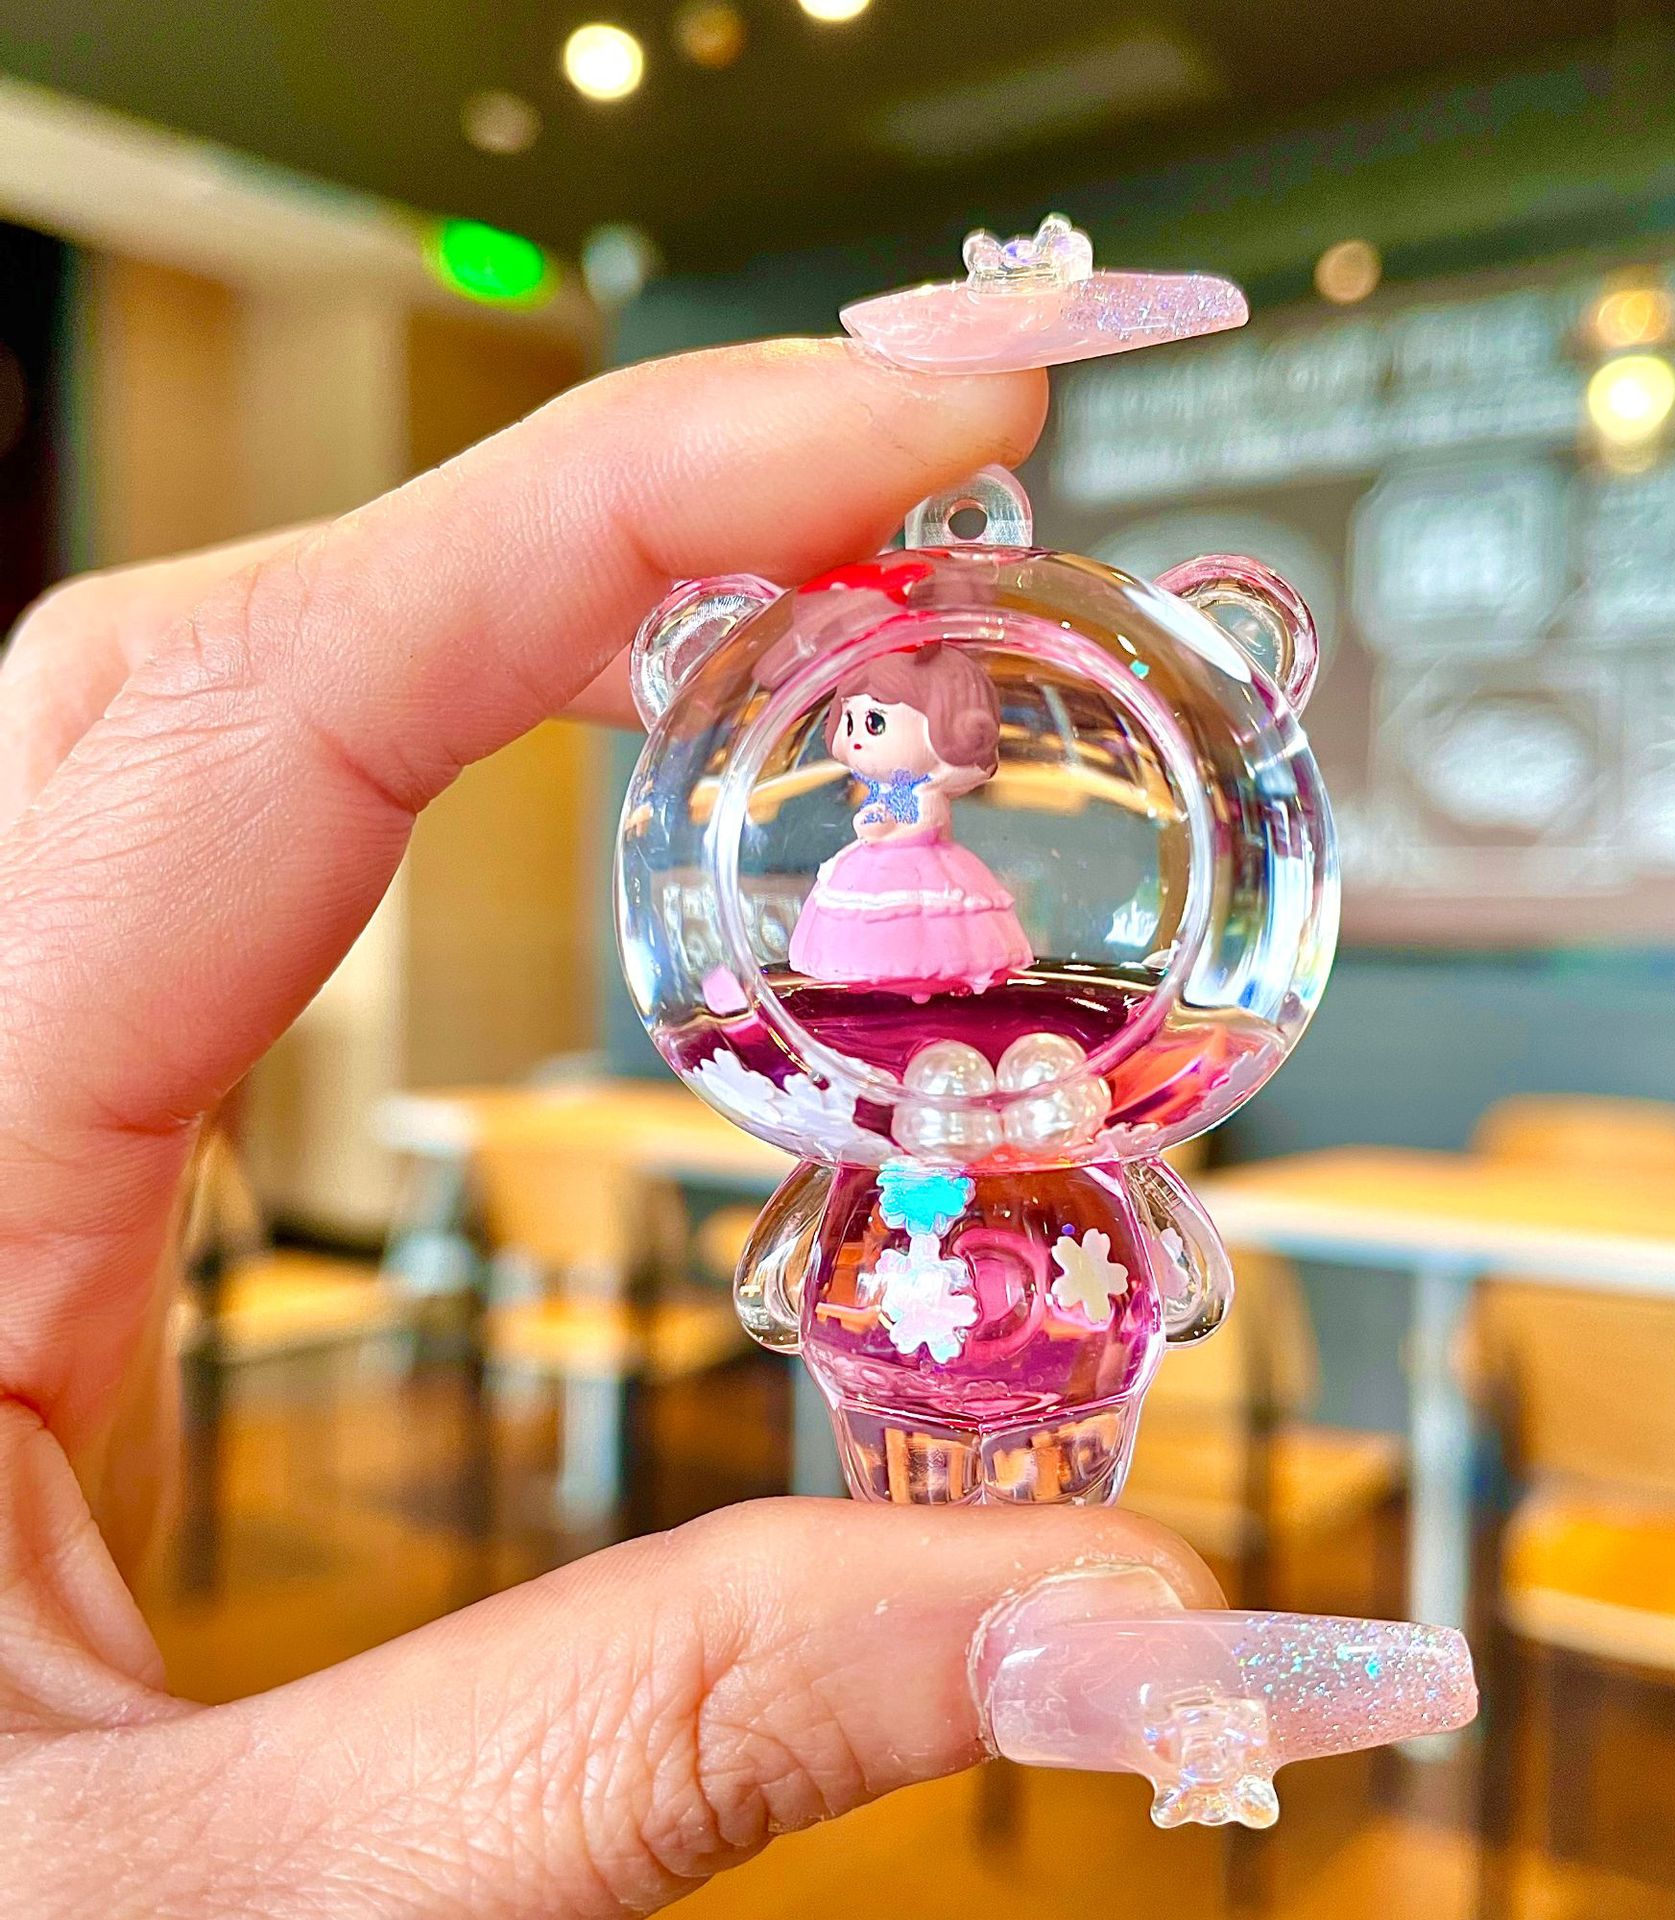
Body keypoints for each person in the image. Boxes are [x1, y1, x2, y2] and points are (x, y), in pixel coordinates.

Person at [0, 341, 1228, 1916]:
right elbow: (808, 1227)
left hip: (1068, 1329)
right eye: (857, 725)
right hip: (888, 1309)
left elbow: (1135, 1218)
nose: (870, 749)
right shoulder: (832, 963)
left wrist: (1155, 1248)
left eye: (891, 728)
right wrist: (799, 1262)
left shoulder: (1001, 950)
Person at [789, 642, 1034, 996]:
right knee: (862, 931)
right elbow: (872, 821)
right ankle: (867, 977)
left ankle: (928, 978)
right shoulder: (882, 790)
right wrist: (872, 826)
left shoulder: (926, 793)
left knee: (933, 931)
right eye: (850, 722)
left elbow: (926, 825)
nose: (856, 740)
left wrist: (886, 830)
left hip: (923, 871)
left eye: (874, 722)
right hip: (872, 867)